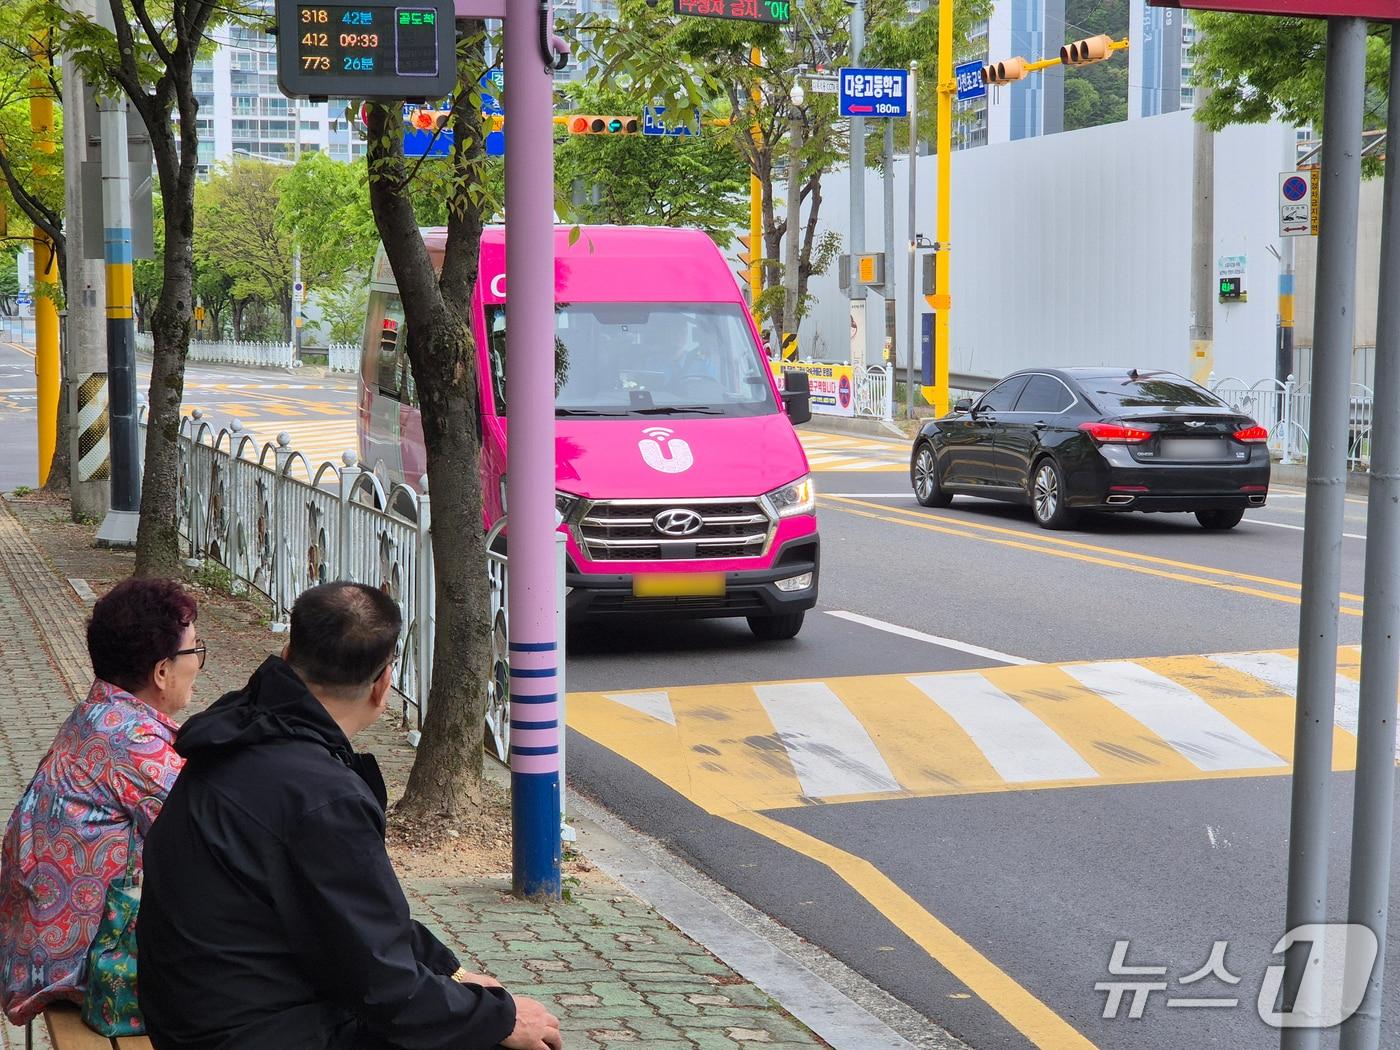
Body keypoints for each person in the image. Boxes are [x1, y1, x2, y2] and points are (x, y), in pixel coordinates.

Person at [137, 581, 563, 1050]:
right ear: (384, 683)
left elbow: (359, 924)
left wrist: (451, 972)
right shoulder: (322, 795)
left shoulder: (238, 731)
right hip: (248, 1031)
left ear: (286, 652)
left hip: (198, 1014)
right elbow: (386, 990)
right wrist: (501, 1019)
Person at [0, 577, 202, 1025]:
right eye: (195, 651)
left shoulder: (99, 713)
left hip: (38, 952)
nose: (200, 664)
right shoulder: (131, 740)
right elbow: (221, 830)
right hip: (84, 969)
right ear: (162, 670)